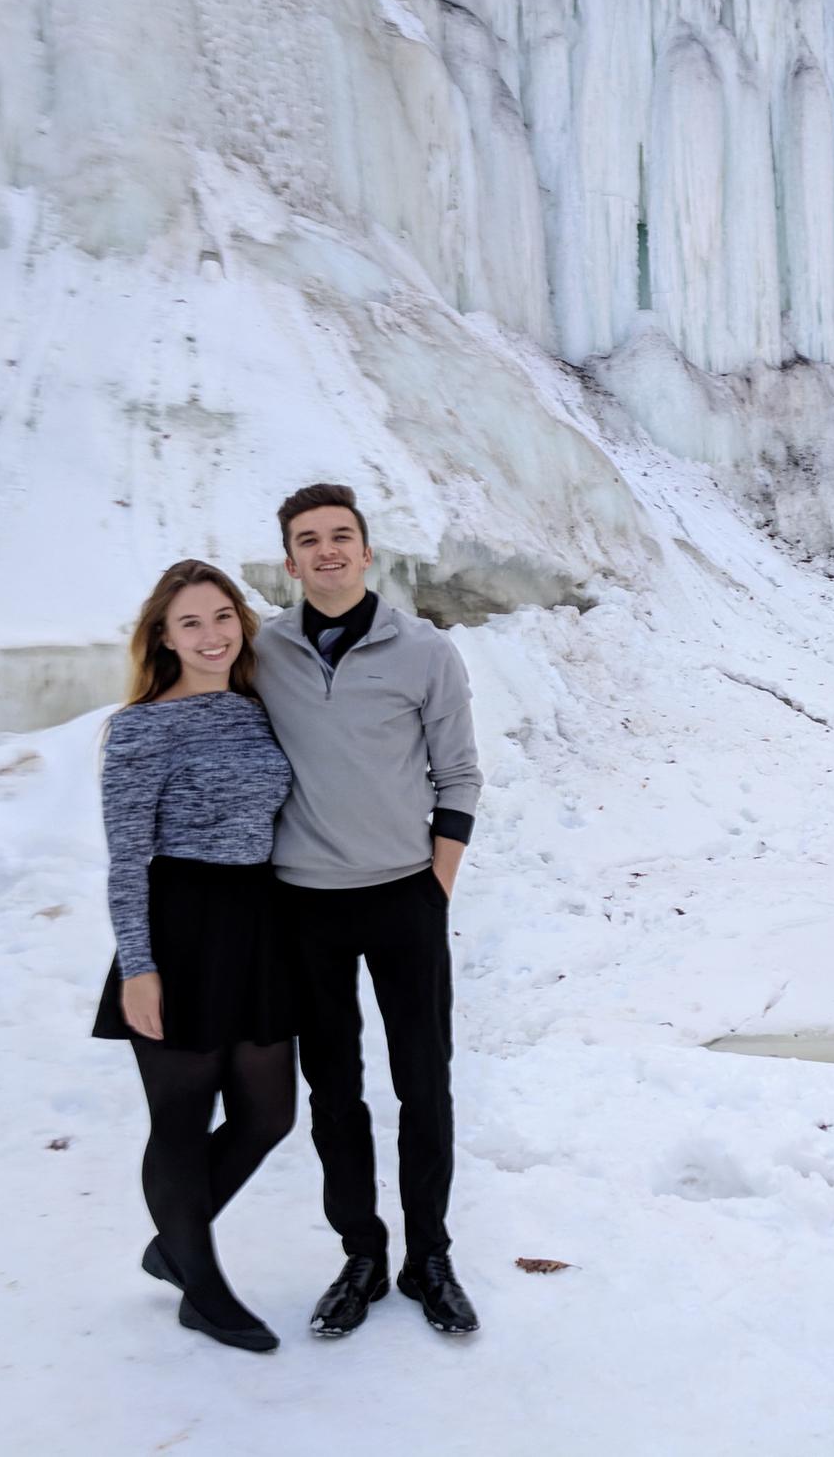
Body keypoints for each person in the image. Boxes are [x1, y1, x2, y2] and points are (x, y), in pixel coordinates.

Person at [254, 483, 484, 1338]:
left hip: (403, 899)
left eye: (340, 536)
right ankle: (361, 1254)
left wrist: (436, 886)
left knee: (425, 1084)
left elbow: (459, 777)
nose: (326, 551)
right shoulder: (264, 651)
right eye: (308, 540)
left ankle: (430, 1255)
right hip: (304, 905)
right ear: (289, 561)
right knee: (334, 1092)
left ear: (366, 550)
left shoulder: (424, 653)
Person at [92, 559, 297, 1353]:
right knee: (180, 1120)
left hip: (258, 921)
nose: (210, 636)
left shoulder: (257, 710)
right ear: (163, 637)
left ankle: (173, 1241)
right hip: (180, 925)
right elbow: (125, 857)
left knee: (268, 1113)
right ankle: (201, 1289)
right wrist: (139, 966)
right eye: (191, 623)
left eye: (221, 618)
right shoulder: (141, 729)